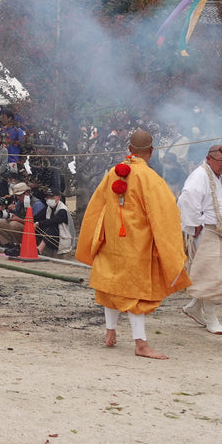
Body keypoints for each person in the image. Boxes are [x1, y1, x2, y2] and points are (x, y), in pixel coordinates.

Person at [75, 130, 189, 359]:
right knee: (135, 291)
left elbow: (96, 206)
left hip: (111, 240)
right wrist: (166, 242)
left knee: (111, 283)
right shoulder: (149, 178)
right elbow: (165, 213)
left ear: (129, 149)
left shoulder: (112, 172)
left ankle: (110, 331)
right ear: (151, 151)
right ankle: (141, 344)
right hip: (137, 243)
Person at [178, 144, 222, 336]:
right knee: (212, 276)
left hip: (219, 231)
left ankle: (194, 307)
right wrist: (194, 225)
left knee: (212, 275)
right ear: (209, 159)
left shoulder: (221, 177)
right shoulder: (200, 175)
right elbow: (186, 200)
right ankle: (211, 318)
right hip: (205, 231)